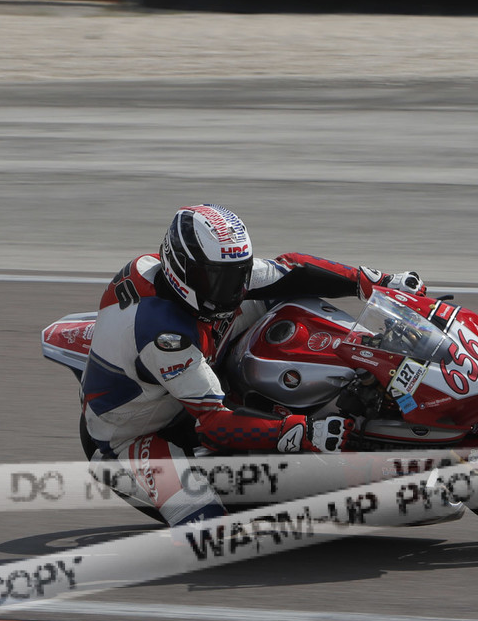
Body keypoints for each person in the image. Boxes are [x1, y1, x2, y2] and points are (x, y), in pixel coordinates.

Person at [81, 204, 425, 525]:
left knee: (287, 293)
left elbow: (289, 270)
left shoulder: (209, 276)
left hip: (196, 352)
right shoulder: (164, 336)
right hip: (131, 435)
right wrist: (302, 431)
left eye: (239, 274)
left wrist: (375, 282)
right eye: (219, 279)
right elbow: (213, 423)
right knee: (212, 535)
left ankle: (365, 356)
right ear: (182, 269)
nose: (233, 289)